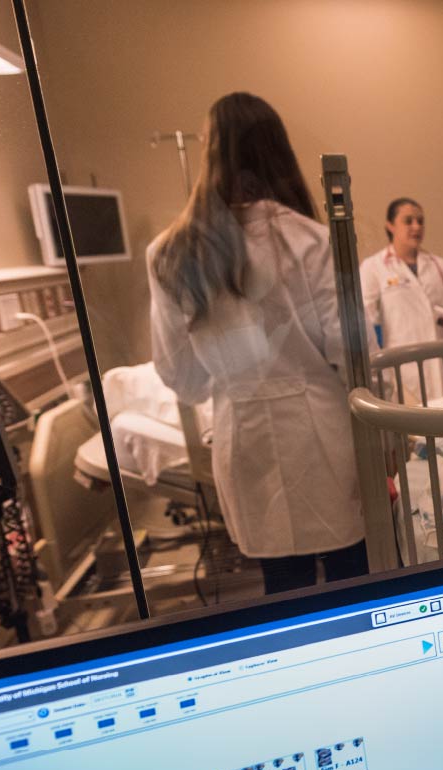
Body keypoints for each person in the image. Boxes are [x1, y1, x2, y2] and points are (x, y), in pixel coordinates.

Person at [149, 91, 367, 595]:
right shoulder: (312, 240)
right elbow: (352, 355)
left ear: (209, 153)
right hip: (323, 432)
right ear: (278, 150)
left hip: (242, 435)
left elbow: (181, 377)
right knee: (351, 581)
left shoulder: (170, 253)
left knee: (282, 591)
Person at [359, 197, 443, 403]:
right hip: (405, 365)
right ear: (390, 226)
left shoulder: (439, 265)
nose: (416, 227)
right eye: (408, 221)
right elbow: (367, 317)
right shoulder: (373, 267)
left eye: (420, 221)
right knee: (416, 427)